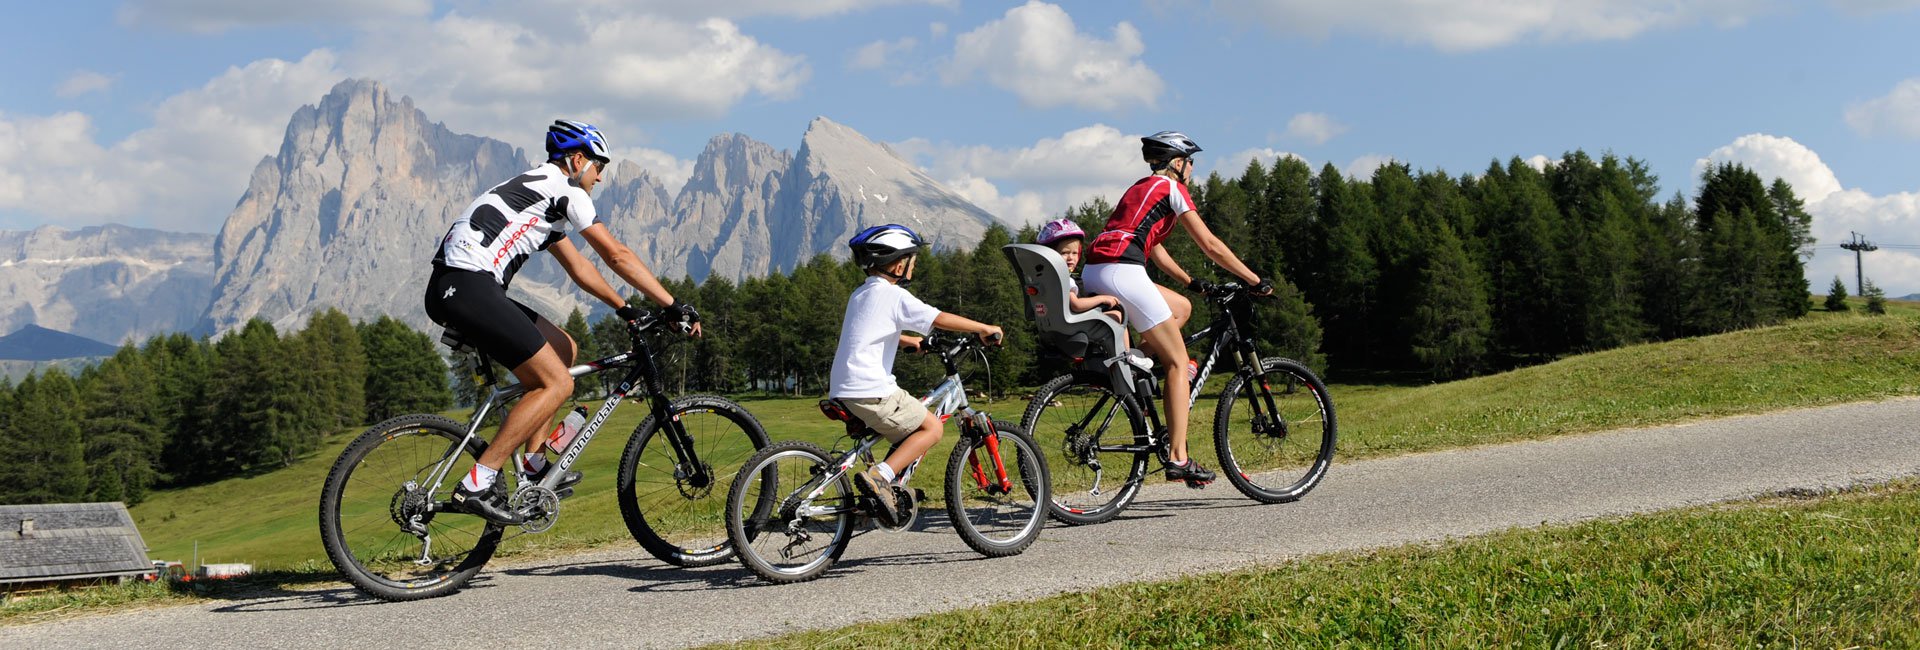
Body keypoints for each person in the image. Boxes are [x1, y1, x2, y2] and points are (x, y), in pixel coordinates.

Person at [424, 120, 700, 524]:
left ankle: (534, 463)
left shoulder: (539, 193)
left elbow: (579, 268)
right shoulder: (564, 188)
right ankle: (478, 481)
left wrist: (625, 308)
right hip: (467, 287)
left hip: (462, 287)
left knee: (564, 349)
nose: (601, 177)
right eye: (598, 167)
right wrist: (673, 305)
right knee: (558, 382)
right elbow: (616, 254)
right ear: (577, 160)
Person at [1081, 131, 1273, 488]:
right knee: (1178, 362)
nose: (1193, 169)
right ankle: (1178, 458)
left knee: (1181, 308)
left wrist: (1190, 283)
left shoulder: (1140, 188)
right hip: (1123, 270)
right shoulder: (1172, 189)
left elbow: (1153, 248)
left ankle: (1135, 365)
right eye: (1191, 162)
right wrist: (1253, 279)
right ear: (1178, 163)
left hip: (1096, 271)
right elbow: (1211, 244)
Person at [830, 224, 1003, 523]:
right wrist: (984, 328)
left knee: (908, 428)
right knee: (932, 427)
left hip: (845, 388)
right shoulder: (894, 295)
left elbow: (870, 330)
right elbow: (939, 318)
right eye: (913, 260)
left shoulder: (861, 294)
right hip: (872, 388)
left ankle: (877, 498)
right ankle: (881, 477)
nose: (914, 266)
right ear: (899, 264)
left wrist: (910, 341)